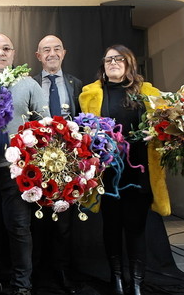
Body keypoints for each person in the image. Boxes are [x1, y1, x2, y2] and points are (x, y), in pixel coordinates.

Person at [78, 44, 169, 295]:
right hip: (107, 175)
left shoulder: (148, 93)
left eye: (119, 59)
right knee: (111, 227)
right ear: (103, 66)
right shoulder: (90, 95)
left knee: (136, 227)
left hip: (139, 172)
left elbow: (165, 129)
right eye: (108, 59)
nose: (113, 62)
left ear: (129, 64)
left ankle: (137, 282)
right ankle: (117, 279)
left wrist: (157, 132)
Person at [0, 34, 48, 295]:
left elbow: (45, 124)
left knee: (18, 228)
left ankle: (22, 285)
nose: (0, 53)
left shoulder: (28, 84)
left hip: (15, 172)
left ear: (14, 53)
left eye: (5, 48)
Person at [31, 35, 82, 294]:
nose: (52, 53)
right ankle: (37, 271)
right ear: (38, 56)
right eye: (46, 50)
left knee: (64, 221)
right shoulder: (27, 83)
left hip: (67, 163)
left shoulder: (76, 84)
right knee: (36, 219)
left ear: (64, 53)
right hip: (35, 162)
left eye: (57, 49)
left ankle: (62, 270)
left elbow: (83, 123)